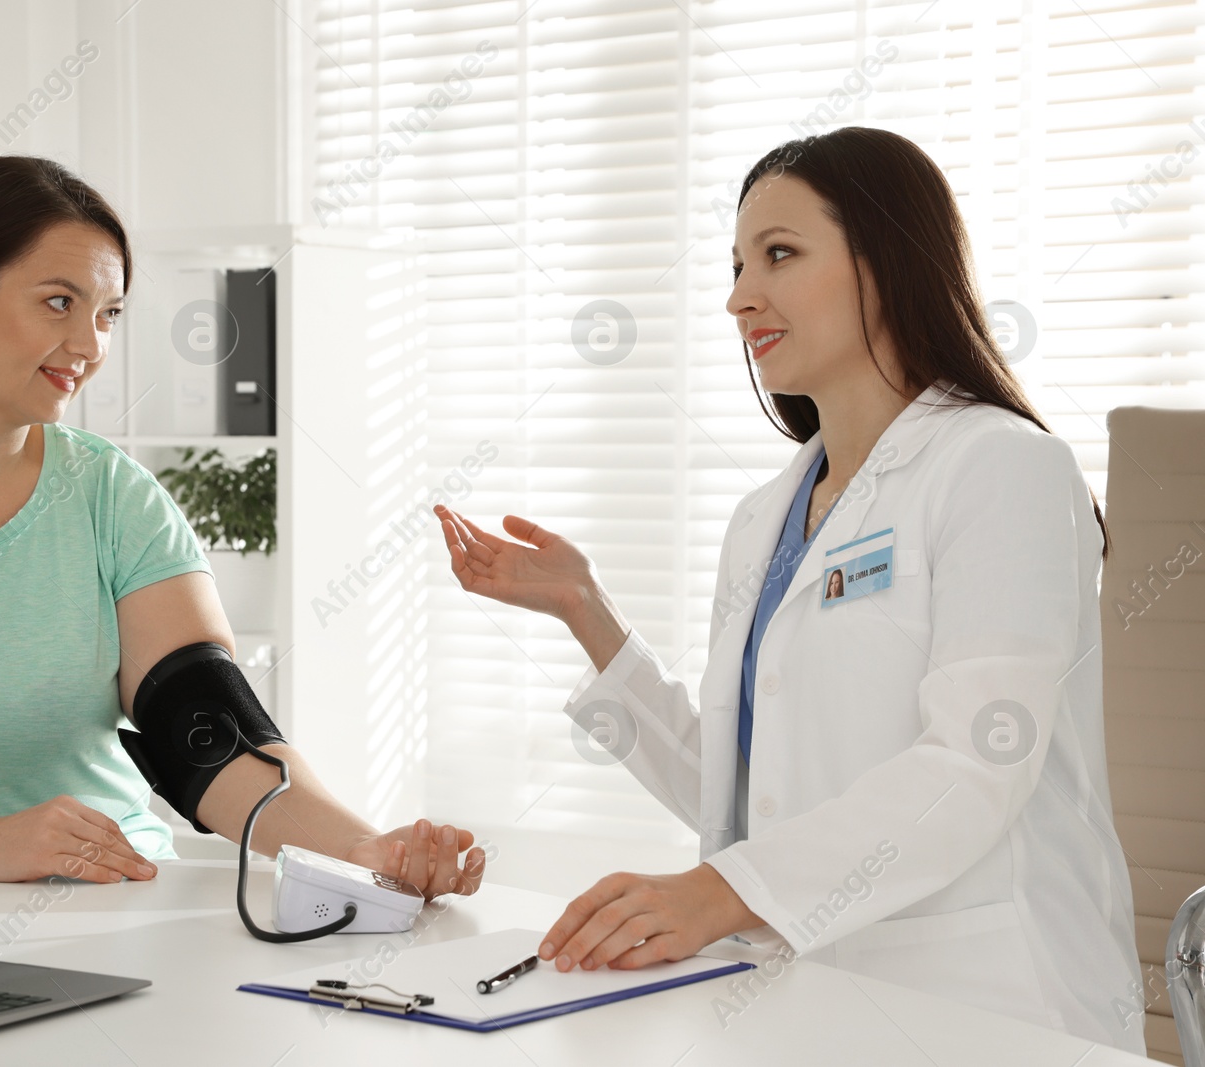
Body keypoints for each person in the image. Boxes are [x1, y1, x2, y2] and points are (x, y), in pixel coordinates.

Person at [435, 126, 1144, 1054]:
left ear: (886, 262)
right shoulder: (765, 518)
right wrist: (587, 613)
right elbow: (745, 801)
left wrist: (717, 895)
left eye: (779, 254)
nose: (738, 297)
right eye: (736, 265)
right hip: (809, 1008)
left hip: (994, 1010)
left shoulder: (1003, 468)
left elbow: (976, 765)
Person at [0, 155, 483, 904]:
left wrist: (367, 851)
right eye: (59, 302)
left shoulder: (116, 500)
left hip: (112, 916)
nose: (90, 345)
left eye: (109, 314)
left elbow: (208, 735)